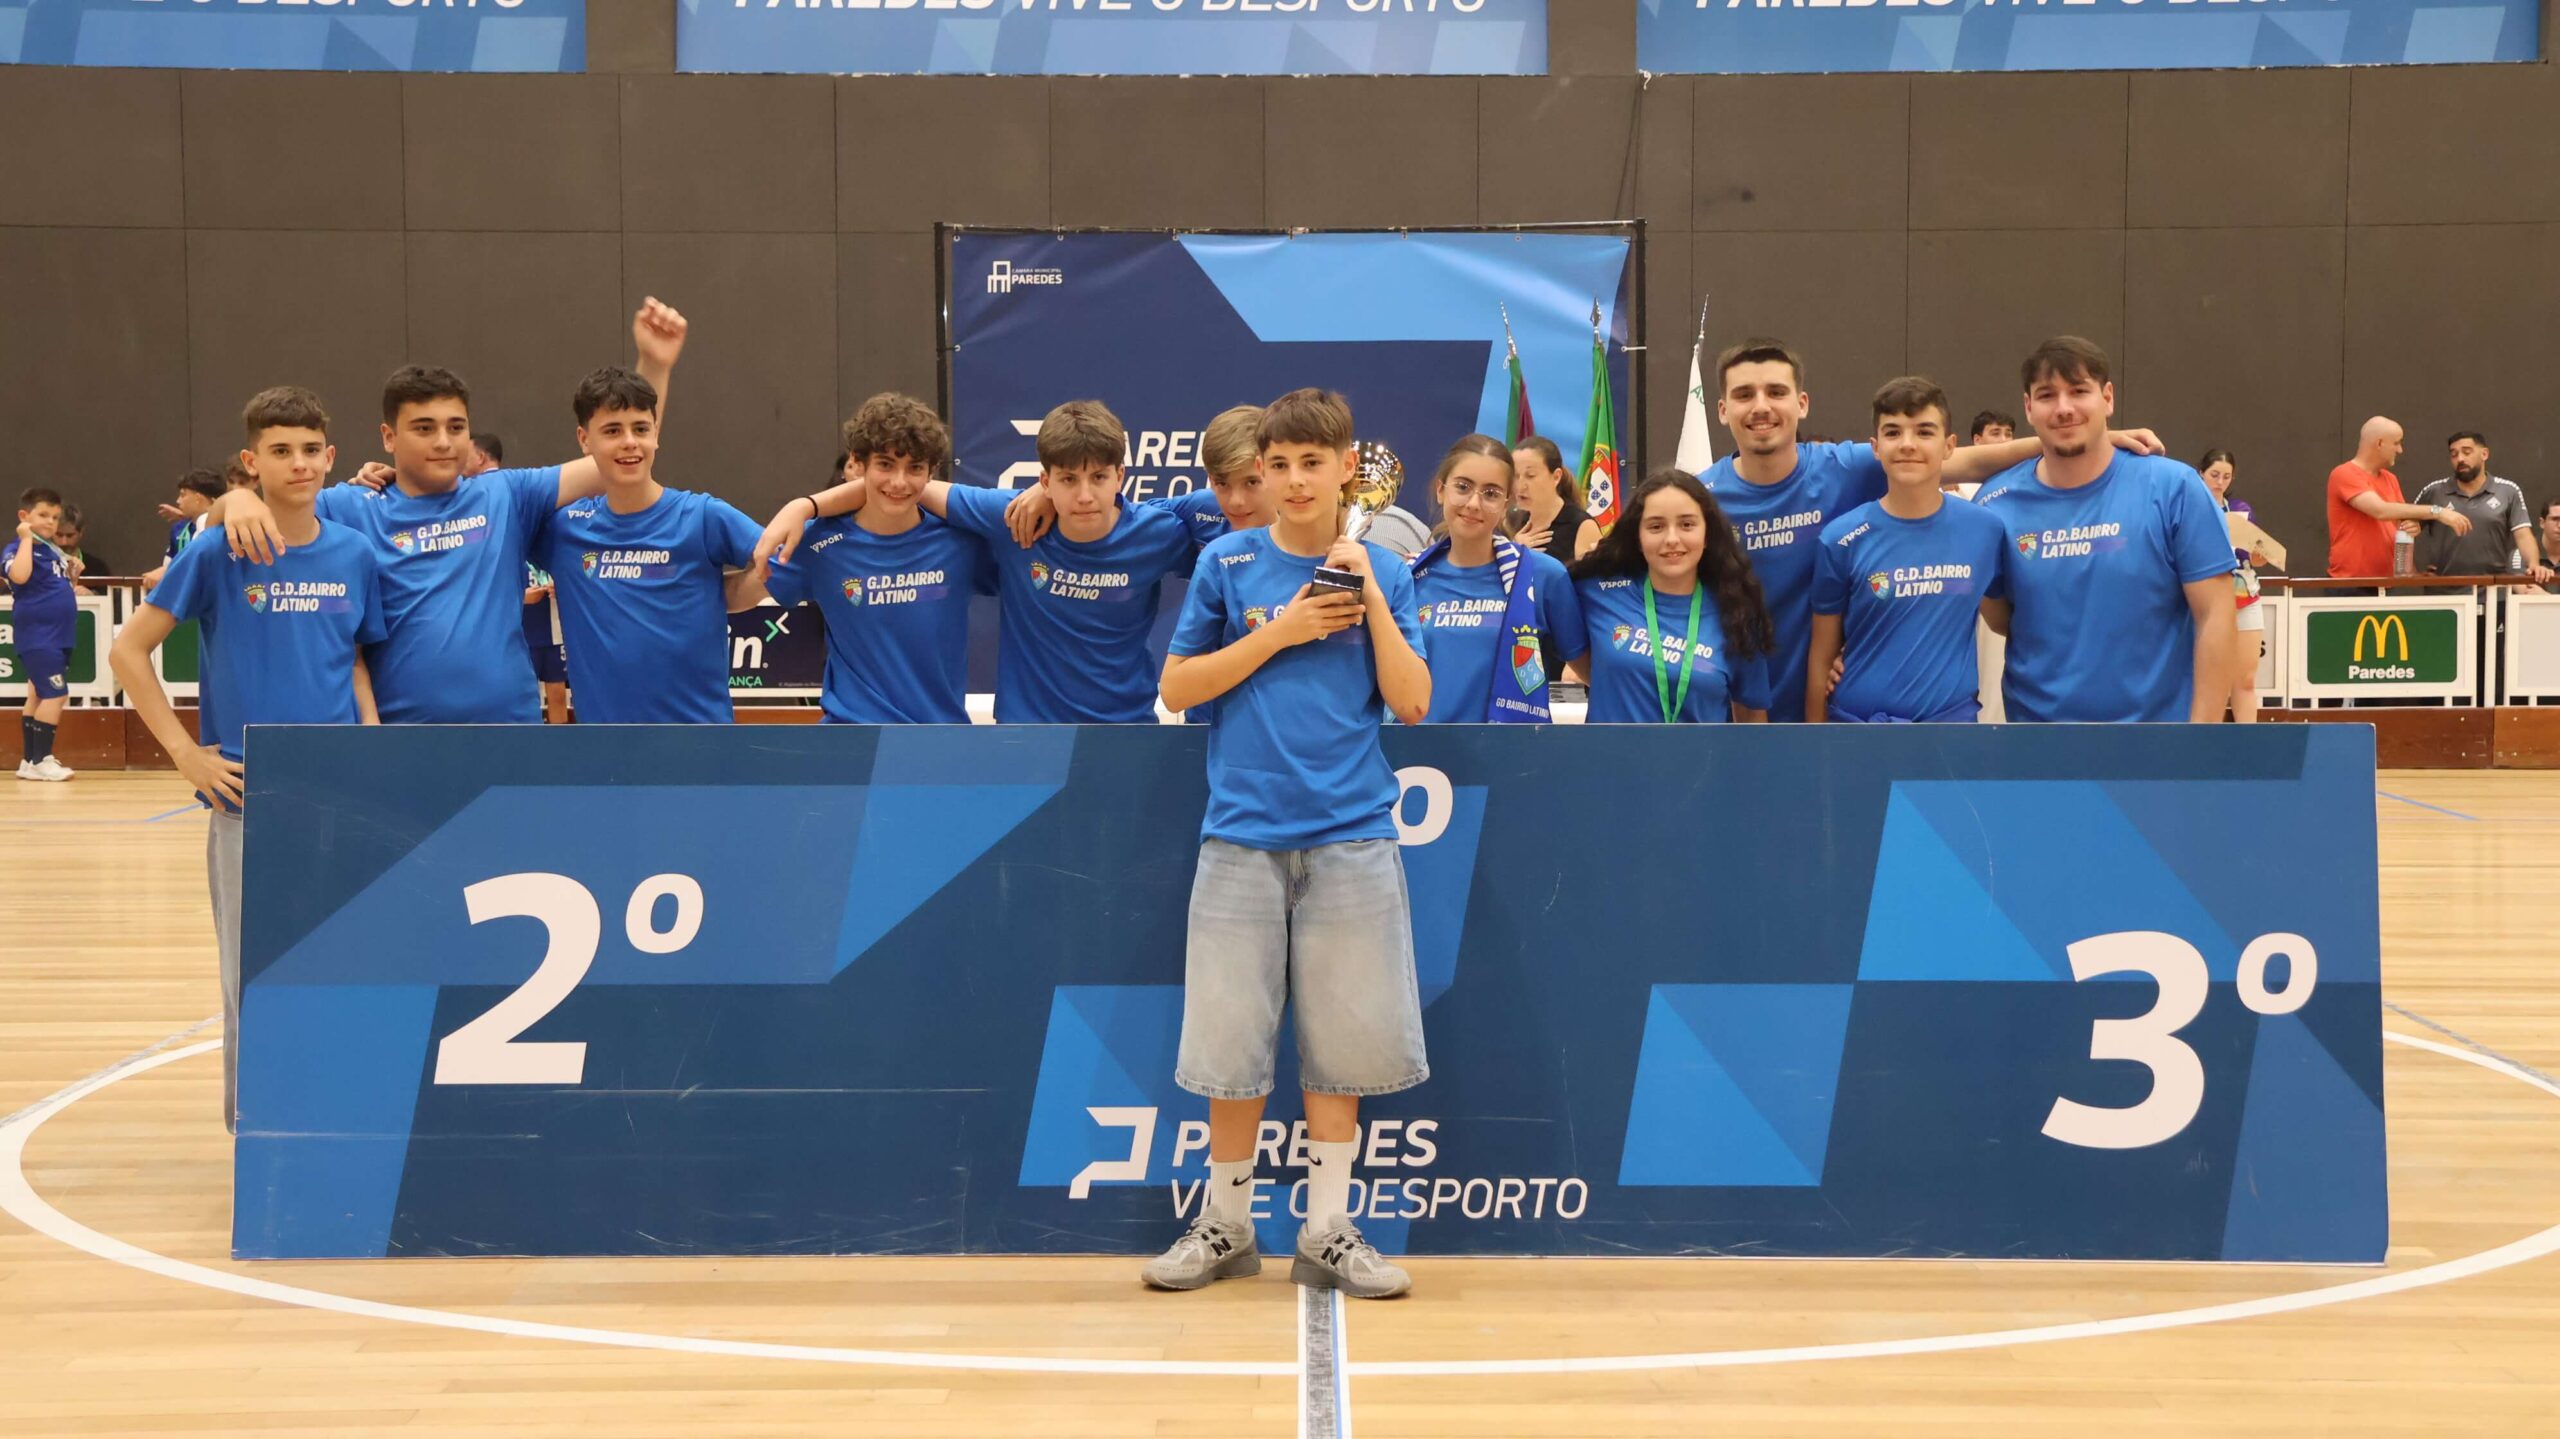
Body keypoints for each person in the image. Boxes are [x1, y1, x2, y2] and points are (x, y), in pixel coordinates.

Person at [1145, 388, 1429, 1301]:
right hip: (1241, 836)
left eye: (1314, 463)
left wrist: (1367, 591)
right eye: (1280, 465)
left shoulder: (1388, 569)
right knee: (1229, 1048)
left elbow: (1413, 701)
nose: (1297, 480)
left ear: (1348, 467)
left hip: (1352, 837)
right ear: (1260, 473)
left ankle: (1328, 1227)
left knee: (1343, 1048)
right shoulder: (1227, 563)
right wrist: (1285, 630)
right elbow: (1178, 688)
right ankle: (1226, 1224)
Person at [108, 386, 387, 1132]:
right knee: (251, 969)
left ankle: (332, 1111)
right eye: (280, 450)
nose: (299, 463)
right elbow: (127, 651)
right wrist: (186, 756)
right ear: (251, 461)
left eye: (310, 449)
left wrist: (370, 737)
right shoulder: (216, 550)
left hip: (340, 789)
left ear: (331, 456)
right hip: (247, 792)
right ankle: (256, 1128)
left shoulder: (355, 553)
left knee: (339, 959)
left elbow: (353, 659)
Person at [204, 300, 689, 724]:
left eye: (456, 427)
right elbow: (238, 521)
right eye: (424, 428)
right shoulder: (350, 506)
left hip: (510, 736)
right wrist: (238, 499)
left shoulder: (506, 495)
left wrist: (654, 365)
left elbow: (617, 456)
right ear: (389, 437)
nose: (443, 441)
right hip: (402, 743)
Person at [1699, 338, 2160, 722]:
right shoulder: (1699, 501)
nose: (1761, 407)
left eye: (1776, 392)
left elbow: (1967, 462)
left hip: (1828, 698)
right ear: (1721, 409)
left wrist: (2089, 438)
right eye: (1744, 395)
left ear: (1801, 403)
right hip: (1736, 704)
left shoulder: (1844, 467)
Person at [758, 399, 1221, 723]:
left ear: (1121, 475)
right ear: (1044, 480)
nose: (1084, 495)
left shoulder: (1160, 530)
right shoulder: (1009, 518)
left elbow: (1237, 501)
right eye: (1067, 479)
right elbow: (907, 488)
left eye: (1098, 478)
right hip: (1025, 738)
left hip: (1127, 732)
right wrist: (806, 506)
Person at [1976, 337, 2236, 723]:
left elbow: (2216, 614)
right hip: (2037, 743)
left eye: (2079, 391)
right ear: (2028, 407)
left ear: (2108, 398)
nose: (2064, 408)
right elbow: (2001, 618)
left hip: (2156, 742)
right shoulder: (1994, 506)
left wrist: (2200, 740)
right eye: (2047, 395)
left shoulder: (2174, 488)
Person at [537, 369, 766, 724]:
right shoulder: (564, 530)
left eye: (641, 429)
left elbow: (781, 561)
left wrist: (721, 593)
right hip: (605, 749)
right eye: (613, 431)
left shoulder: (703, 516)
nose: (630, 442)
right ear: (584, 439)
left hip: (703, 744)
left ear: (656, 433)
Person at [758, 394, 993, 724]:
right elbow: (743, 590)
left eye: (915, 468)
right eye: (885, 464)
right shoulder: (818, 542)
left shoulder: (962, 541)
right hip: (851, 739)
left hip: (938, 739)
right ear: (857, 463)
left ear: (931, 472)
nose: (899, 482)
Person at [1806, 378, 2009, 723]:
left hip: (1949, 733)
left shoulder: (1985, 529)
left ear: (1949, 445)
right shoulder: (1841, 538)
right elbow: (1821, 656)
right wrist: (1815, 743)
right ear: (1875, 447)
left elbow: (2004, 620)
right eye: (1893, 432)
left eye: (1924, 432)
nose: (1908, 444)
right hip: (1858, 731)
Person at [1566, 468, 1774, 723]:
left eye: (1687, 524)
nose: (1672, 539)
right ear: (1638, 537)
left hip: (1701, 752)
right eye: (1656, 526)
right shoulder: (1596, 591)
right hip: (1608, 751)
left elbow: (1752, 719)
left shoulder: (1736, 613)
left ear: (1707, 535)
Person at [1408, 435, 1581, 723]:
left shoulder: (1543, 575)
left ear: (1506, 503)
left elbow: (1593, 669)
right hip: (1420, 749)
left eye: (1490, 493)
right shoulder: (1409, 577)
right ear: (1441, 490)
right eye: (1462, 487)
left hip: (1510, 749)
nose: (1474, 503)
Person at [2325, 416, 2470, 578]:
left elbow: (2401, 524)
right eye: (2396, 443)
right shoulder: (2344, 474)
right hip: (2349, 583)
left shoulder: (2390, 479)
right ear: (2380, 443)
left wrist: (2411, 572)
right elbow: (2380, 510)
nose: (2400, 450)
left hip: (2385, 582)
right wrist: (2438, 511)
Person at [7, 486, 81, 781]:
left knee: (37, 694)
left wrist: (73, 573)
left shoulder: (53, 551)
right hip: (38, 635)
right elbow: (19, 576)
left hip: (60, 634)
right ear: (24, 516)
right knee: (56, 694)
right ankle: (42, 760)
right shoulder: (17, 548)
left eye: (54, 517)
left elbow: (57, 587)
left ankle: (28, 761)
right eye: (43, 515)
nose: (50, 522)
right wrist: (26, 539)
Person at [2414, 433, 2550, 581]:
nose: (2460, 459)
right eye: (2454, 454)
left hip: (2493, 588)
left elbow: (2523, 535)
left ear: (2484, 454)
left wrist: (2534, 564)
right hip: (2444, 589)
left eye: (2467, 452)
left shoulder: (2508, 491)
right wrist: (2410, 570)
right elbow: (2403, 530)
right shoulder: (2433, 491)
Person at [2199, 450, 2271, 723]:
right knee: (2209, 680)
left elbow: (2253, 555)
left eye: (2226, 477)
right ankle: (2204, 740)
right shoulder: (2189, 508)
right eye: (2214, 475)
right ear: (2201, 474)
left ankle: (2248, 741)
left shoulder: (2242, 510)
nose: (2220, 482)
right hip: (2206, 598)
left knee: (2246, 679)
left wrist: (2259, 557)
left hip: (2244, 596)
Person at [1511, 436, 1600, 565]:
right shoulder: (1511, 521)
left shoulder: (1582, 526)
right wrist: (1512, 552)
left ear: (1556, 477)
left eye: (1530, 476)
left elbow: (1593, 577)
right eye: (1515, 476)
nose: (1520, 486)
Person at [142, 468, 226, 587]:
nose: (178, 501)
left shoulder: (227, 529)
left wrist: (168, 571)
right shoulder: (180, 529)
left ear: (198, 498)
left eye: (183, 495)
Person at [53, 504, 113, 592]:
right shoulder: (42, 564)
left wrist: (93, 595)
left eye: (70, 535)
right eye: (59, 535)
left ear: (81, 532)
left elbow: (111, 598)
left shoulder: (97, 568)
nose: (64, 542)